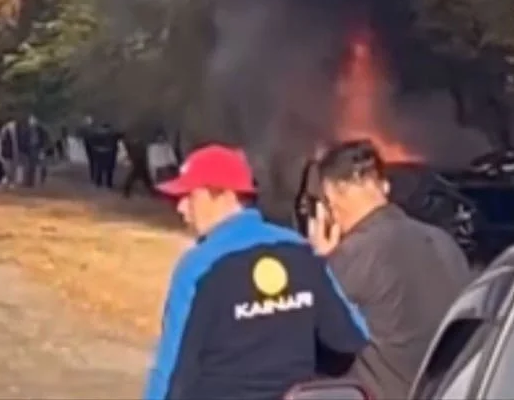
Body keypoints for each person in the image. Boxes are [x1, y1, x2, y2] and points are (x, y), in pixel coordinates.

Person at [146, 145, 369, 400]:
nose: (181, 208)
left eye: (189, 197)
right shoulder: (301, 252)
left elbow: (172, 370)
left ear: (224, 195)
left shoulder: (199, 266)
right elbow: (351, 336)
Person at [305, 139, 471, 400]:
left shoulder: (352, 256)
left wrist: (319, 262)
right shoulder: (443, 242)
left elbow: (313, 331)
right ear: (384, 186)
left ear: (333, 198)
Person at [85, 121, 121, 189]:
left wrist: (94, 150)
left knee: (99, 167)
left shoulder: (95, 133)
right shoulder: (112, 133)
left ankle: (99, 182)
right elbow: (118, 137)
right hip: (108, 152)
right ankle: (109, 183)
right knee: (110, 168)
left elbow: (91, 142)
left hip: (98, 152)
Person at [122, 126, 155, 198]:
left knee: (144, 179)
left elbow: (142, 154)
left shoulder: (136, 145)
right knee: (139, 178)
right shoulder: (135, 145)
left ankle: (126, 192)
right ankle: (126, 192)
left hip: (140, 163)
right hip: (138, 163)